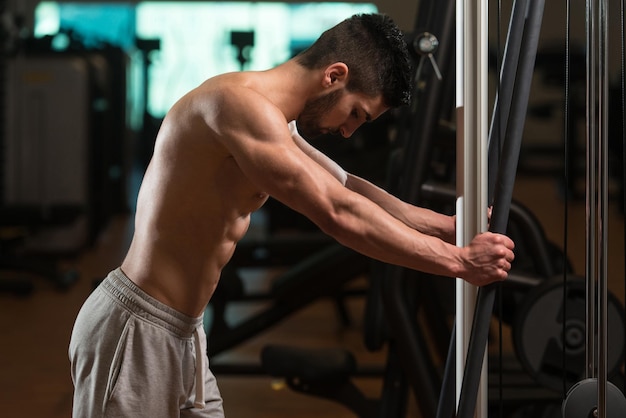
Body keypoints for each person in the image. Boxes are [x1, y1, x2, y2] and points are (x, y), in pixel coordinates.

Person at [69, 13, 515, 418]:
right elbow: (337, 213)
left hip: (185, 333)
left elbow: (347, 187)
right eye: (356, 113)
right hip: (138, 330)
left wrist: (448, 226)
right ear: (334, 76)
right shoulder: (235, 105)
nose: (348, 130)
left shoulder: (275, 121)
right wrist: (457, 262)